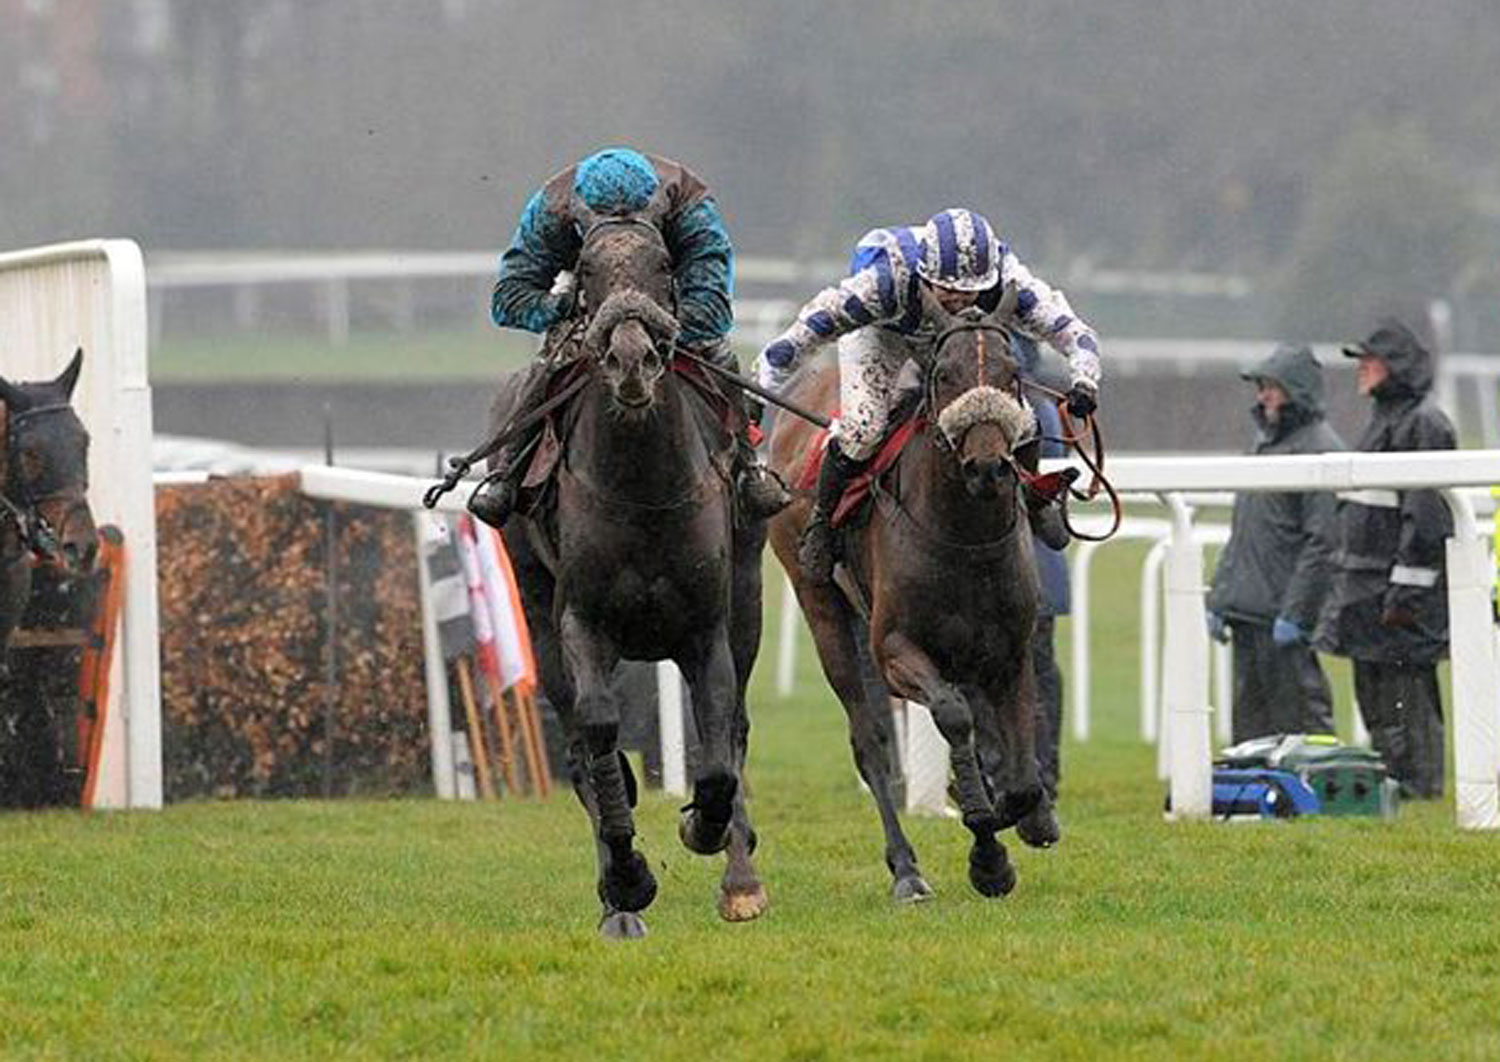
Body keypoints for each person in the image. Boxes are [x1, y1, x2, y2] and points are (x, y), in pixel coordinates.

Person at [756, 208, 1103, 582]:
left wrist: (1085, 382)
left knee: (1021, 419)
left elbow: (1075, 334)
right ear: (923, 275)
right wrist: (759, 391)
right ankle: (822, 526)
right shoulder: (882, 284)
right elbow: (804, 335)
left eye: (969, 293)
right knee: (863, 429)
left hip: (963, 343)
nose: (958, 301)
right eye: (947, 290)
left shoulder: (1009, 281)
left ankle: (1034, 500)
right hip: (885, 335)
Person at [468, 147, 787, 528]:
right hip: (588, 303)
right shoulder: (552, 208)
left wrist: (656, 318)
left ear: (654, 208)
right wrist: (568, 304)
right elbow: (510, 299)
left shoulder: (690, 205)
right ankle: (506, 477)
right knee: (546, 366)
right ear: (582, 212)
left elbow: (713, 313)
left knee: (719, 355)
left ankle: (749, 474)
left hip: (669, 300)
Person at [1314, 319, 1456, 798]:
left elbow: (1427, 518)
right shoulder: (1384, 421)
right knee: (1376, 702)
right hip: (1366, 590)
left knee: (1407, 701)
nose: (1363, 370)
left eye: (1370, 360)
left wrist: (1407, 592)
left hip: (1398, 597)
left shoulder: (1424, 423)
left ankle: (1420, 788)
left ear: (1394, 367)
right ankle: (1394, 785)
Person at [1206, 344, 1344, 743]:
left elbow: (1324, 541)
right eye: (1261, 386)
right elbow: (1243, 531)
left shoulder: (1321, 447)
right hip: (1249, 613)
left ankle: (1320, 798)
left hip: (1284, 614)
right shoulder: (1263, 442)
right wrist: (1219, 598)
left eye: (1272, 386)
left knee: (1303, 725)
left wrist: (1297, 612)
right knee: (1251, 734)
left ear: (1297, 390)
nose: (1262, 395)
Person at [1015, 335, 1072, 830]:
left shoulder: (1036, 408)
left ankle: (1041, 783)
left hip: (1029, 567)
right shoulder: (1040, 400)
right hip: (1031, 568)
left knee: (1032, 678)